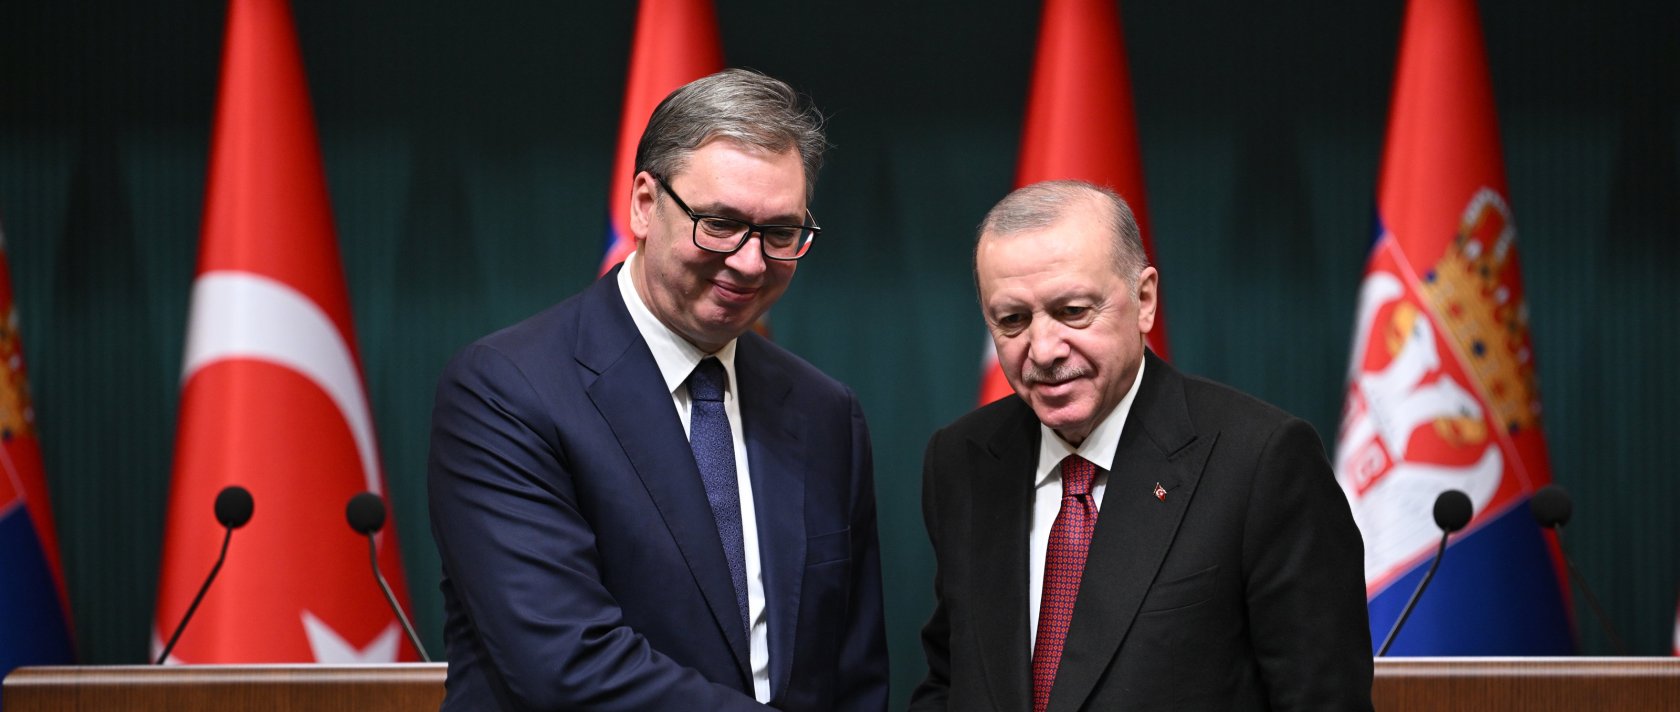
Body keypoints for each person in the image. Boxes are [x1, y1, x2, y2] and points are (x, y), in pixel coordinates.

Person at [427, 69, 888, 712]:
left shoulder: (824, 412)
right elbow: (566, 665)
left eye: (781, 233)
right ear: (645, 204)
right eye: (720, 223)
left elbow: (852, 672)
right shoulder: (508, 389)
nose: (751, 262)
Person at [912, 180, 1372, 711]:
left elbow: (1323, 700)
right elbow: (951, 680)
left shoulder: (1261, 461)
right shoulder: (961, 459)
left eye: (1073, 310)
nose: (1042, 349)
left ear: (1144, 300)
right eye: (1013, 319)